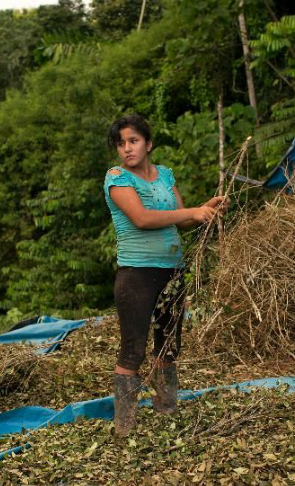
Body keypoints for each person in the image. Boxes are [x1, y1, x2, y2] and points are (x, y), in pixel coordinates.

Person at [104, 114, 226, 436]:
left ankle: (166, 410)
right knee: (134, 348)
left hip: (172, 271)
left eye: (133, 141)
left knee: (169, 344)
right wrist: (191, 211)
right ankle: (124, 426)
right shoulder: (117, 178)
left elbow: (181, 221)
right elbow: (142, 218)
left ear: (148, 143)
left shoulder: (165, 176)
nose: (127, 149)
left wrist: (204, 210)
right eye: (121, 144)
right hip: (136, 275)